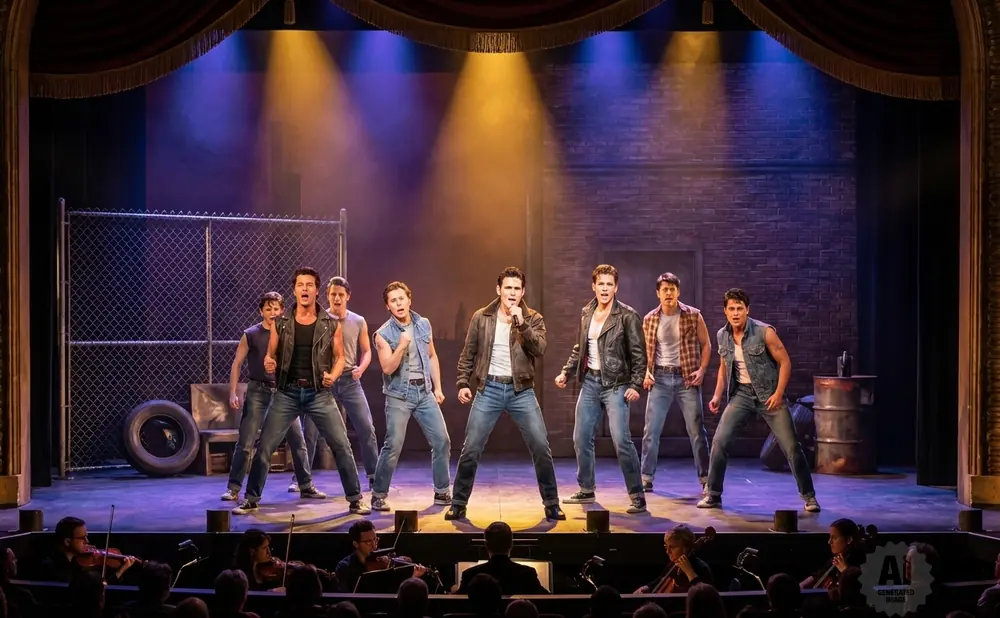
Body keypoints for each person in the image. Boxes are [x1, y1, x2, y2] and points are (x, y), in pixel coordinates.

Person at [232, 267, 369, 515]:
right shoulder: (281, 323)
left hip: (319, 393)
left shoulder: (330, 323)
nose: (304, 289)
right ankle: (251, 498)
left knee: (341, 445)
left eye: (309, 285)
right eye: (300, 285)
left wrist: (334, 375)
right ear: (294, 290)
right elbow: (270, 355)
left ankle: (355, 498)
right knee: (265, 446)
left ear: (317, 291)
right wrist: (269, 362)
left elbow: (340, 358)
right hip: (287, 393)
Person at [447, 267, 564, 521]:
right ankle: (458, 503)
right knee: (471, 449)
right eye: (507, 288)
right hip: (488, 388)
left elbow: (540, 348)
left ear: (523, 292)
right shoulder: (482, 317)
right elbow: (468, 353)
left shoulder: (532, 318)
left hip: (521, 390)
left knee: (541, 446)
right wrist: (462, 383)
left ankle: (552, 503)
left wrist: (520, 323)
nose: (512, 293)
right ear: (498, 290)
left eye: (517, 288)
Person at [698, 288, 819, 512]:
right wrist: (716, 395)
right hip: (741, 394)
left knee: (791, 447)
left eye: (740, 309)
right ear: (725, 311)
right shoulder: (722, 335)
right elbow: (724, 368)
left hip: (769, 394)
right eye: (731, 309)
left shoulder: (765, 332)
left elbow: (785, 362)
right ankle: (713, 494)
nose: (736, 313)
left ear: (747, 310)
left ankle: (809, 496)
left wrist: (779, 393)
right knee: (719, 442)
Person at [555, 264, 647, 513]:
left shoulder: (627, 315)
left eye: (610, 284)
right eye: (601, 284)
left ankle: (637, 495)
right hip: (591, 382)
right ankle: (586, 489)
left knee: (621, 440)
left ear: (616, 287)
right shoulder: (587, 312)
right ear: (593, 286)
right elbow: (580, 348)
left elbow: (639, 354)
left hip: (616, 385)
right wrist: (566, 371)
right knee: (581, 437)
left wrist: (636, 384)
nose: (605, 289)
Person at [224, 291, 316, 502]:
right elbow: (237, 363)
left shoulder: (288, 333)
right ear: (261, 311)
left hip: (284, 392)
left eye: (276, 309)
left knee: (297, 439)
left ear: (282, 310)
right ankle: (234, 487)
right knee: (246, 441)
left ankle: (306, 485)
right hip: (258, 390)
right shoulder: (251, 334)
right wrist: (233, 392)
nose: (273, 312)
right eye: (268, 309)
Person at [371, 281, 452, 511]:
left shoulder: (423, 324)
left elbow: (432, 356)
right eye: (393, 301)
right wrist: (401, 346)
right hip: (399, 395)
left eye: (401, 298)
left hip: (424, 391)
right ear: (388, 306)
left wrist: (437, 388)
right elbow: (387, 368)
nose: (398, 304)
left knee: (442, 440)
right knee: (393, 445)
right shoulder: (383, 334)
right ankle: (378, 494)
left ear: (409, 300)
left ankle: (442, 491)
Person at [295, 276, 379, 492]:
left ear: (348, 296)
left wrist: (361, 367)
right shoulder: (319, 319)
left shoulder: (358, 321)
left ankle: (373, 476)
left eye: (341, 295)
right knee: (310, 431)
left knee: (366, 427)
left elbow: (367, 351)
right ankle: (301, 480)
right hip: (324, 382)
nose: (337, 298)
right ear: (327, 296)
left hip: (350, 379)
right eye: (333, 294)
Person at [639, 272, 712, 493]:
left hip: (686, 378)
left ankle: (706, 479)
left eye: (672, 289)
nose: (668, 293)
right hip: (660, 378)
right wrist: (644, 372)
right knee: (651, 430)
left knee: (697, 430)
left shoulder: (693, 315)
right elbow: (642, 351)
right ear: (658, 293)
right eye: (664, 289)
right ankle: (646, 477)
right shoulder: (650, 319)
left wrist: (702, 370)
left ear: (678, 292)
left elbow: (706, 344)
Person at [334, 519, 427, 593]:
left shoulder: (384, 563)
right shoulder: (344, 567)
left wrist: (414, 578)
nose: (374, 545)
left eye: (375, 539)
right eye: (368, 542)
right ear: (356, 544)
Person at [457, 522, 548, 595]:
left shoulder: (470, 575)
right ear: (511, 544)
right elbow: (547, 598)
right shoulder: (527, 573)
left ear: (486, 546)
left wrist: (453, 590)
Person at [39, 516, 137, 583]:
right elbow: (95, 594)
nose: (87, 541)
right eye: (82, 538)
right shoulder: (54, 568)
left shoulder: (78, 560)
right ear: (67, 542)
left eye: (87, 536)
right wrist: (119, 572)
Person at [634, 525, 713, 594]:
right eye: (666, 547)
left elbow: (704, 595)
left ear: (686, 548)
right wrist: (647, 587)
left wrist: (690, 573)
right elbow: (662, 579)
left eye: (672, 547)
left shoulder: (701, 568)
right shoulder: (674, 564)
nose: (667, 552)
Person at [799, 519, 867, 589]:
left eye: (834, 538)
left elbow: (860, 588)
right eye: (830, 537)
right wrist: (800, 586)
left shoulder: (861, 561)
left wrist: (845, 571)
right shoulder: (839, 557)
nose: (829, 542)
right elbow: (820, 573)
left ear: (848, 540)